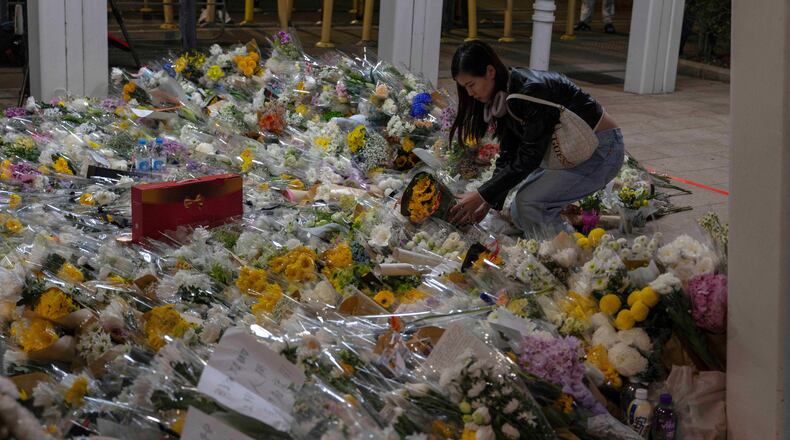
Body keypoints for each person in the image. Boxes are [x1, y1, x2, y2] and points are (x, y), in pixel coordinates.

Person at [447, 41, 624, 235]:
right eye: (465, 88)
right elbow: (509, 154)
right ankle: (552, 248)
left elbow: (530, 156)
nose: (470, 93)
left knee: (529, 204)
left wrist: (481, 195)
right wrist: (489, 201)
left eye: (471, 85)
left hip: (602, 150)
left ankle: (567, 256)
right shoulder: (507, 93)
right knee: (519, 211)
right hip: (576, 151)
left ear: (490, 71)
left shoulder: (528, 92)